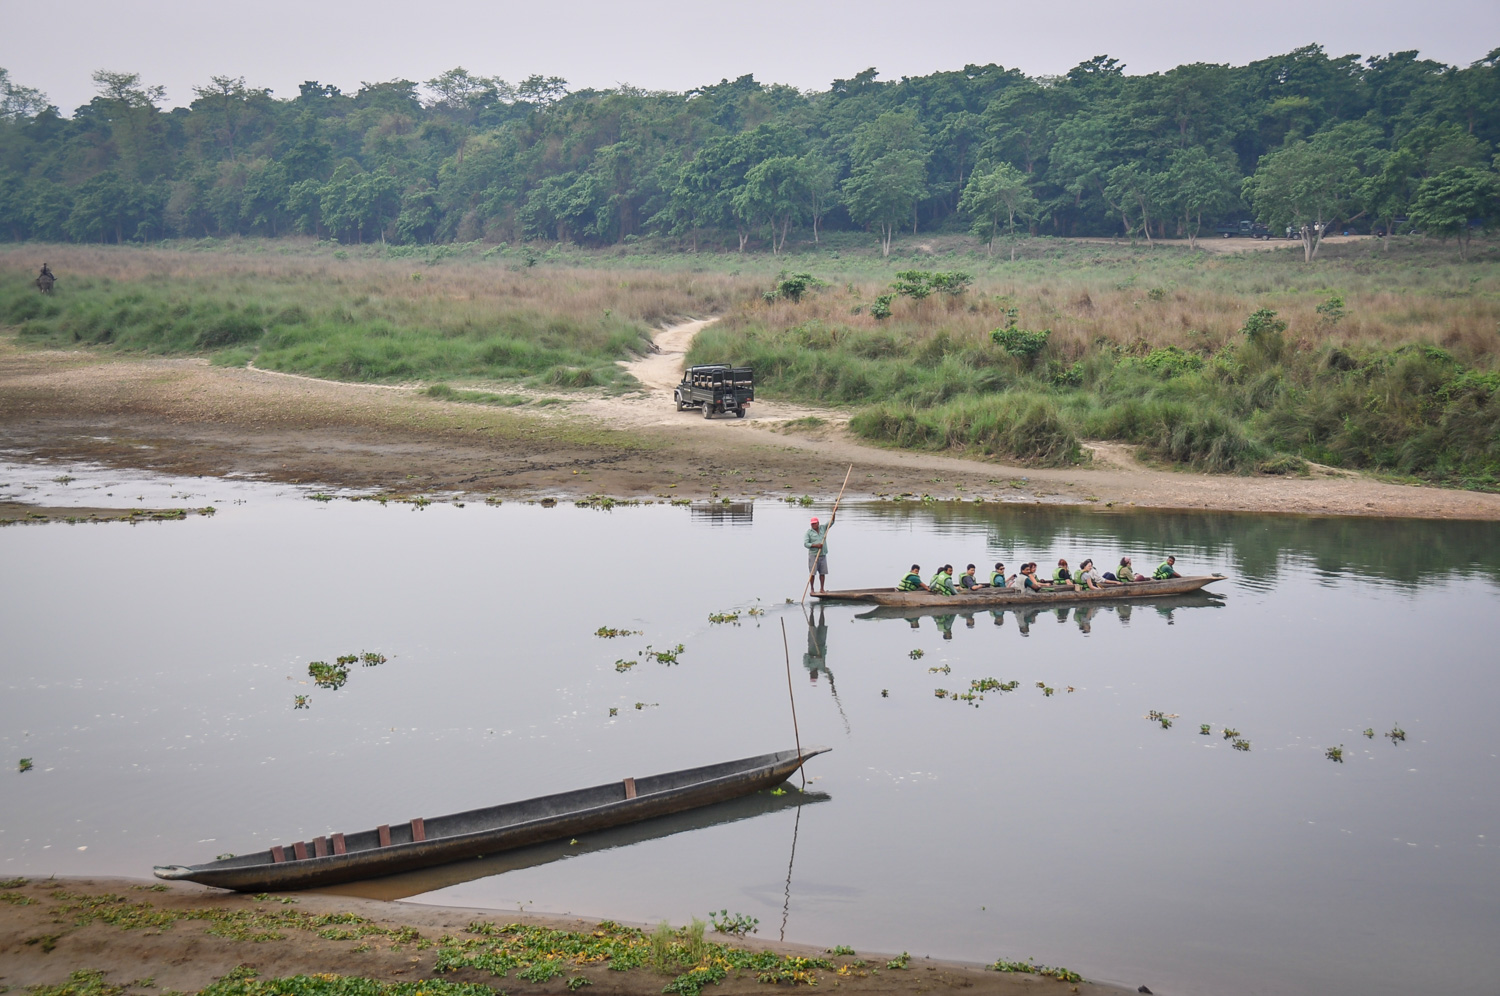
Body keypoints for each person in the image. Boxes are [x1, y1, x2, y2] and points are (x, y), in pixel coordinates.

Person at [803, 515, 833, 593]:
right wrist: (816, 545)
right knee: (812, 573)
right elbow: (806, 544)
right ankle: (812, 589)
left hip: (822, 554)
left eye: (815, 524)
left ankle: (822, 588)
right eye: (812, 524)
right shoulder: (808, 533)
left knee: (822, 572)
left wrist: (834, 512)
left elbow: (831, 522)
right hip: (813, 554)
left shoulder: (823, 528)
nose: (813, 525)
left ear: (818, 523)